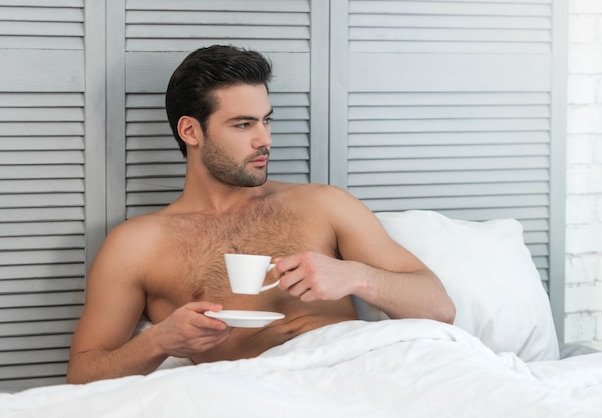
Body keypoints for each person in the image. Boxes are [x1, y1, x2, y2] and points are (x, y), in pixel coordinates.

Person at [66, 45, 455, 384]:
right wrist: (159, 341)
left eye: (266, 120)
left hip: (371, 368)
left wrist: (356, 277)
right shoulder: (137, 244)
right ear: (190, 131)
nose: (264, 139)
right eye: (243, 124)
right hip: (258, 389)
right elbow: (82, 375)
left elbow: (439, 309)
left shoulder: (322, 204)